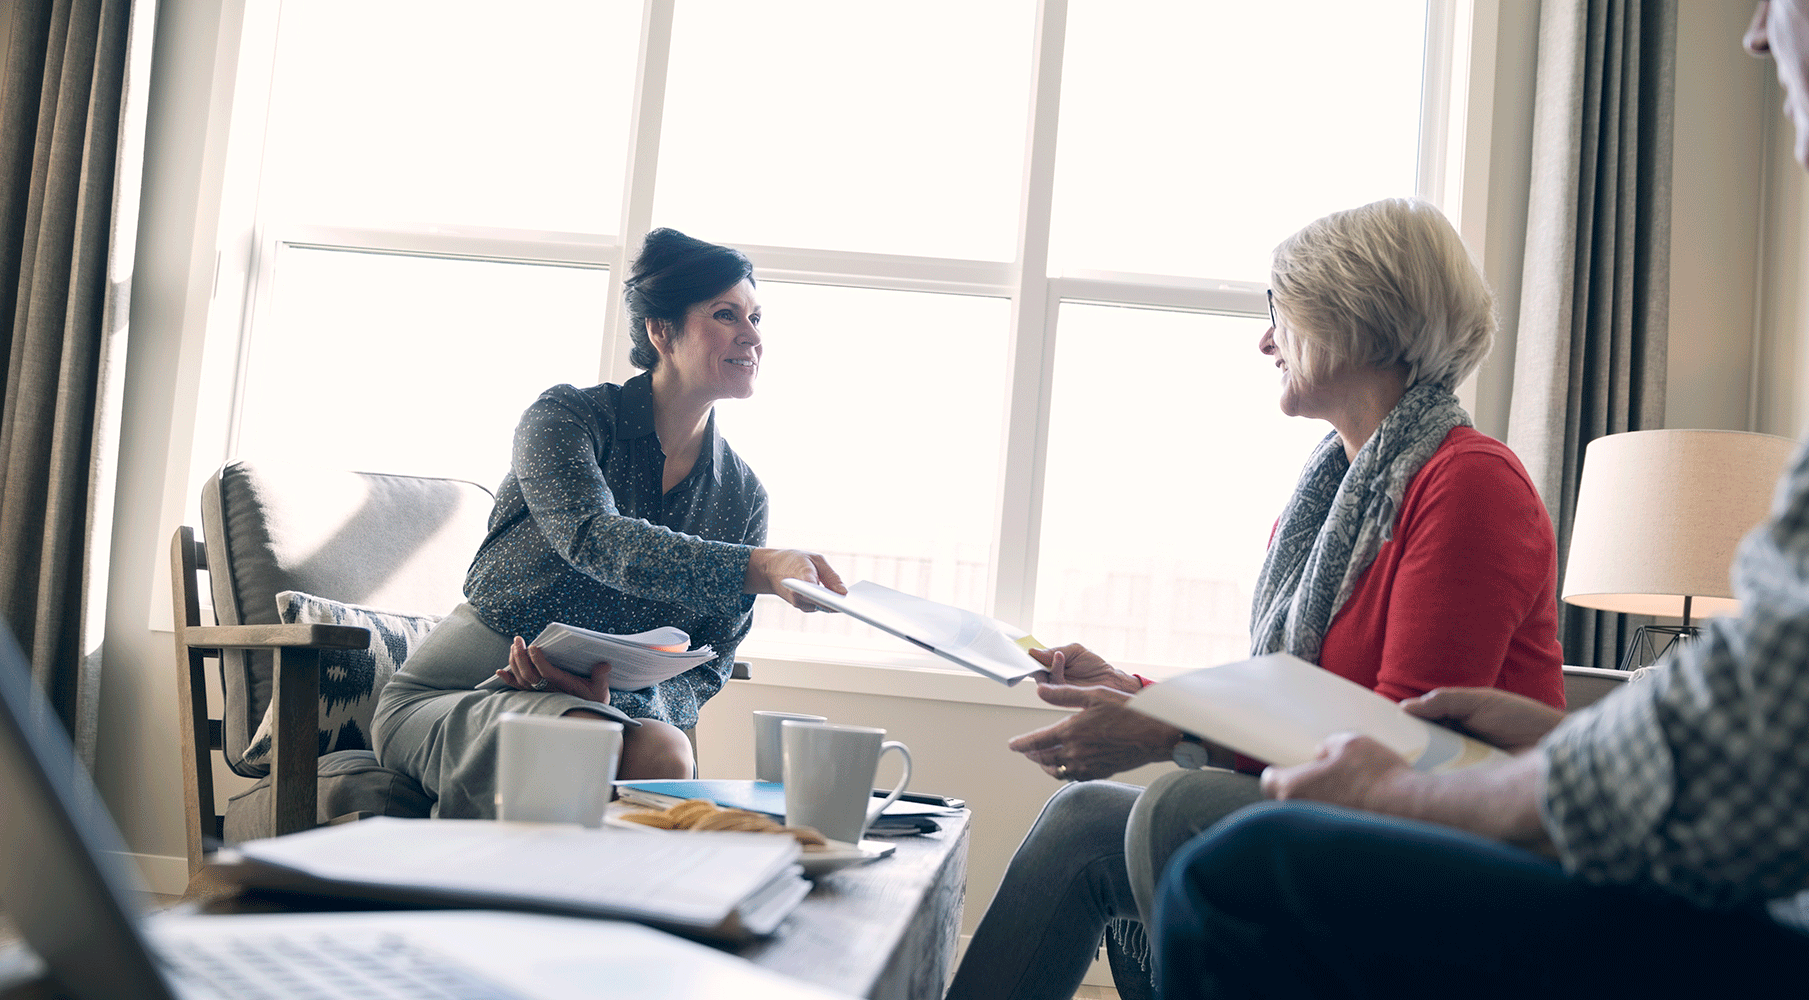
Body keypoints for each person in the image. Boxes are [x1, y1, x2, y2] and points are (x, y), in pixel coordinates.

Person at [1152, 2, 1809, 998]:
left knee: (1244, 878)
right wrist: (1575, 738)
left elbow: (1795, 716)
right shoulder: (1324, 498)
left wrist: (1420, 800)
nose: (1756, 35)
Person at [945, 198, 1565, 1000]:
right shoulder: (1327, 500)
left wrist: (1167, 727)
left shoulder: (1470, 481)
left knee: (1181, 807)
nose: (1266, 338)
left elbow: (1404, 747)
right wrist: (1136, 697)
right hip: (1365, 808)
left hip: (1456, 841)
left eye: (1280, 308)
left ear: (1354, 313)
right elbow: (1287, 704)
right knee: (1088, 819)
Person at [372, 228, 845, 820]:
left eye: (756, 317)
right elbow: (596, 539)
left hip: (594, 708)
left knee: (666, 750)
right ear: (661, 331)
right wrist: (760, 565)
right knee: (582, 738)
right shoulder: (566, 418)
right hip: (454, 695)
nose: (752, 336)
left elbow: (711, 659)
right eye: (727, 315)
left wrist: (616, 696)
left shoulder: (742, 493)